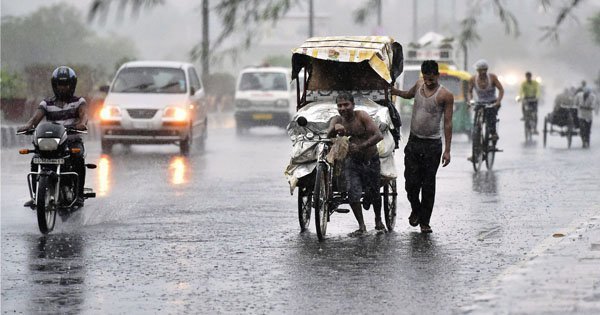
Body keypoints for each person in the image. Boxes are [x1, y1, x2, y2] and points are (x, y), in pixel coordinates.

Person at [391, 60, 454, 233]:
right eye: (426, 78)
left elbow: (448, 123)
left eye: (431, 79)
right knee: (411, 183)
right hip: (414, 142)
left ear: (437, 75)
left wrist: (447, 150)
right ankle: (416, 209)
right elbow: (408, 95)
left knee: (428, 184)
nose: (428, 82)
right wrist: (394, 91)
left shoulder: (445, 95)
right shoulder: (419, 84)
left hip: (433, 145)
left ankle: (425, 222)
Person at [17, 66, 88, 208]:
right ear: (54, 85)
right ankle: (36, 196)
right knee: (35, 159)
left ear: (72, 85)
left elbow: (84, 116)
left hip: (71, 141)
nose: (63, 88)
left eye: (66, 84)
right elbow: (35, 119)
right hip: (52, 142)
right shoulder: (46, 103)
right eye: (60, 84)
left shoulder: (79, 102)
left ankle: (79, 195)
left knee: (78, 158)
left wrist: (81, 124)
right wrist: (28, 126)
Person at [326, 92, 384, 235]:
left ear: (353, 105)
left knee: (375, 192)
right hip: (352, 162)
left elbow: (378, 135)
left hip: (371, 160)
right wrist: (335, 130)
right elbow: (328, 136)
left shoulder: (361, 116)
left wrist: (361, 146)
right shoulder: (337, 119)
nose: (343, 108)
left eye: (346, 105)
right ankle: (362, 226)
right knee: (353, 193)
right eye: (340, 105)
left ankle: (378, 219)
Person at [467, 59, 504, 141]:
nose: (483, 72)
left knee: (491, 116)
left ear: (487, 70)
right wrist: (470, 101)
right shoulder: (473, 79)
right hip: (480, 102)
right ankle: (477, 130)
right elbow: (469, 92)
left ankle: (493, 132)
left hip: (492, 102)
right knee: (477, 114)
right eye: (481, 70)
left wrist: (498, 101)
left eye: (484, 70)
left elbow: (501, 89)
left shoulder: (492, 77)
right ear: (477, 70)